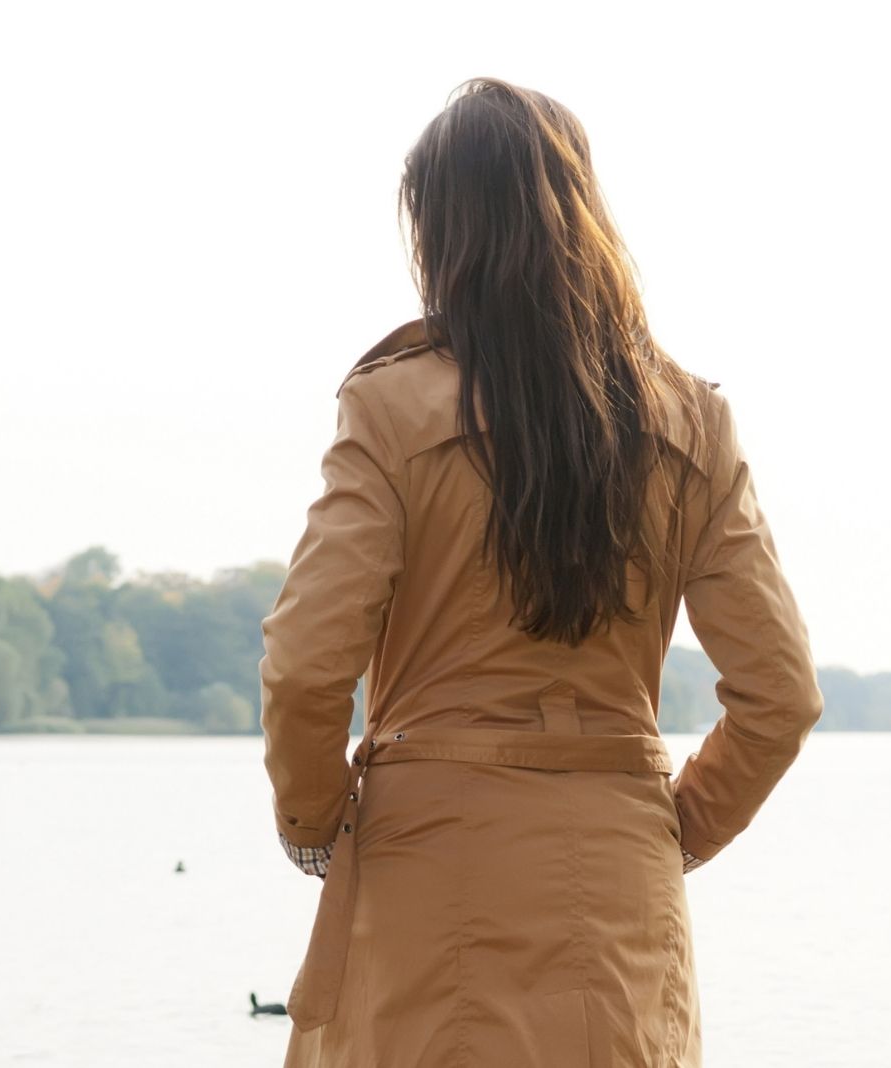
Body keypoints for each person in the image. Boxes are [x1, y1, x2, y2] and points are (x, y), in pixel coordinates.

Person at [258, 76, 824, 1068]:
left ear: (438, 230)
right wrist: (673, 825)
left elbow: (308, 663)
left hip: (427, 871)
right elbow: (781, 695)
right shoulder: (693, 422)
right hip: (618, 878)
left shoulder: (392, 410)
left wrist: (314, 820)